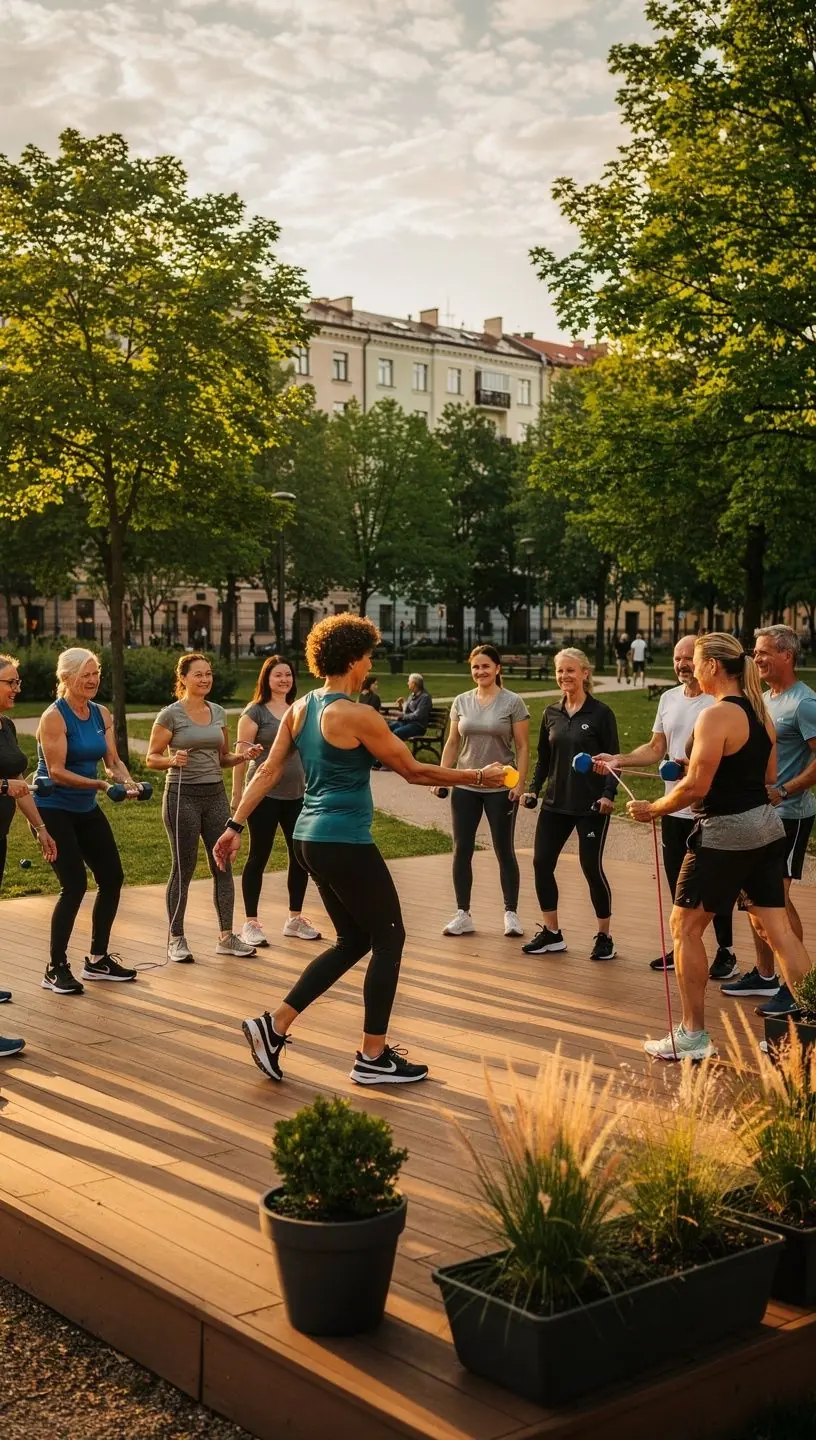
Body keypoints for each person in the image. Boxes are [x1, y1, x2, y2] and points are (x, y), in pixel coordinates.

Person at [212, 614, 506, 1086]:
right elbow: (414, 771)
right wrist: (478, 776)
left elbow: (267, 771)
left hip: (308, 840)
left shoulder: (301, 707)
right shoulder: (355, 714)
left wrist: (234, 824)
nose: (371, 663)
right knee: (390, 939)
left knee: (353, 941)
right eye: (368, 655)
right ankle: (372, 1057)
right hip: (342, 840)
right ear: (352, 659)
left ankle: (274, 1026)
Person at [627, 632, 811, 1061]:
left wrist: (654, 808)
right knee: (779, 930)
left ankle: (693, 1036)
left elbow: (697, 786)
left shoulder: (716, 715)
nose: (691, 668)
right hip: (766, 830)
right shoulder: (761, 712)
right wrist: (698, 764)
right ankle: (811, 1024)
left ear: (712, 666)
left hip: (725, 835)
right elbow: (766, 776)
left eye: (695, 661)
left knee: (685, 927)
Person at [594, 635, 739, 980]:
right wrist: (618, 759)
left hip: (709, 809)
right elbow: (656, 747)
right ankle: (682, 947)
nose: (682, 664)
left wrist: (695, 768)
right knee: (678, 883)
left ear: (703, 661)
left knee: (716, 885)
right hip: (673, 808)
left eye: (688, 658)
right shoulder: (668, 698)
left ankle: (726, 952)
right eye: (676, 658)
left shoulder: (718, 702)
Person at [34, 648, 143, 995]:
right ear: (66, 678)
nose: (93, 680)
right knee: (74, 885)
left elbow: (112, 760)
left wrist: (127, 781)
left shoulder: (101, 713)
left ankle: (97, 960)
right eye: (86, 674)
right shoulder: (54, 717)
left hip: (84, 808)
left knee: (112, 877)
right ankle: (55, 967)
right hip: (52, 808)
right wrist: (100, 785)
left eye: (96, 673)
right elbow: (56, 771)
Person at [721, 625, 816, 1015]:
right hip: (758, 815)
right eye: (755, 652)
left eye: (763, 652)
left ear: (787, 655)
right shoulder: (761, 699)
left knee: (776, 900)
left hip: (790, 816)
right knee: (756, 900)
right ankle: (764, 975)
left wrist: (785, 790)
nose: (755, 658)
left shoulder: (804, 703)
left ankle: (801, 989)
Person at [146, 654, 261, 963]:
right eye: (198, 674)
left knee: (222, 863)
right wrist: (172, 760)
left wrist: (243, 756)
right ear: (183, 678)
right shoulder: (170, 715)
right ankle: (176, 938)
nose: (205, 679)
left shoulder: (218, 712)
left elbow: (222, 757)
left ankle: (226, 937)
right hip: (181, 796)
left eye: (208, 674)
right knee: (183, 868)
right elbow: (152, 758)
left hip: (215, 796)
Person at [522, 648, 618, 962]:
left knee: (591, 867)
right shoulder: (551, 713)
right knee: (541, 864)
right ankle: (552, 933)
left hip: (592, 805)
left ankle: (604, 936)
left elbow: (614, 761)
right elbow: (544, 758)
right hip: (555, 803)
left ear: (584, 673)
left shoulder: (601, 713)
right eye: (560, 671)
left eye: (571, 670)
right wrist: (533, 789)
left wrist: (608, 795)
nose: (565, 676)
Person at [437, 644, 530, 938]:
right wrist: (441, 775)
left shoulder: (513, 702)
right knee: (461, 848)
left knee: (504, 850)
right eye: (476, 667)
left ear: (497, 668)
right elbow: (453, 743)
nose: (480, 671)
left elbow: (522, 747)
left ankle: (511, 914)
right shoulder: (461, 701)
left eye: (486, 666)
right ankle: (462, 914)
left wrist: (519, 783)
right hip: (465, 784)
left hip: (500, 787)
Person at [232, 655, 320, 948]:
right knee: (259, 855)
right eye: (278, 675)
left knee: (300, 857)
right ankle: (251, 923)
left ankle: (295, 919)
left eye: (288, 675)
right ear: (266, 679)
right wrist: (238, 795)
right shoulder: (254, 713)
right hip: (264, 796)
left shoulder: (300, 709)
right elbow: (241, 758)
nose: (284, 680)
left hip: (298, 794)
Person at [0, 654, 58, 1054]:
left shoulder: (5, 726)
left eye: (17, 682)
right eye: (10, 682)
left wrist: (40, 828)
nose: (17, 689)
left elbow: (17, 778)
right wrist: (3, 787)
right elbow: (9, 783)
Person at [389, 673, 432, 741]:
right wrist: (403, 703)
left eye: (409, 681)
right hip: (408, 723)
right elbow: (407, 711)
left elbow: (417, 715)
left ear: (414, 684)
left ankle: (396, 748)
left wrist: (402, 716)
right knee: (388, 728)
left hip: (418, 726)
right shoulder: (412, 694)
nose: (407, 683)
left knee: (396, 733)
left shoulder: (425, 697)